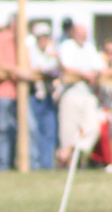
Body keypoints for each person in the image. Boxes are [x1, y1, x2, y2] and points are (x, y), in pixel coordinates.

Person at [56, 23, 102, 168]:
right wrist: (85, 74)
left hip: (88, 93)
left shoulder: (90, 48)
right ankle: (70, 164)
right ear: (73, 33)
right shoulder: (67, 46)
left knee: (92, 127)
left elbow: (98, 67)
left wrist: (93, 75)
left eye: (85, 32)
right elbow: (66, 67)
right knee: (68, 130)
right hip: (71, 92)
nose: (83, 35)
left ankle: (68, 150)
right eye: (80, 32)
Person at [0, 16, 21, 170]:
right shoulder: (0, 39)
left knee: (13, 129)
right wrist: (17, 71)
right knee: (1, 129)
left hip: (18, 92)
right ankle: (1, 164)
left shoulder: (21, 42)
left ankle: (11, 162)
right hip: (2, 91)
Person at [26, 22, 60, 170]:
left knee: (49, 130)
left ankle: (47, 163)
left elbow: (54, 69)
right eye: (40, 37)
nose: (43, 40)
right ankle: (35, 163)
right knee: (33, 129)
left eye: (45, 37)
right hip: (35, 94)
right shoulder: (30, 51)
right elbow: (34, 68)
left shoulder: (52, 52)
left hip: (49, 95)